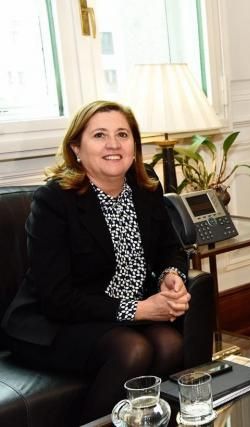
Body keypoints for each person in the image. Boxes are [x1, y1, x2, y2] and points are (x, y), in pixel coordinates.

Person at [1, 100, 192, 423]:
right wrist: (140, 309)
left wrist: (171, 277)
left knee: (169, 343)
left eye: (122, 134)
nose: (113, 144)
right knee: (133, 350)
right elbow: (57, 298)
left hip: (114, 317)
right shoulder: (53, 201)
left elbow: (170, 249)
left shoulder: (145, 186)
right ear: (76, 147)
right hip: (52, 323)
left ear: (134, 145)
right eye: (100, 135)